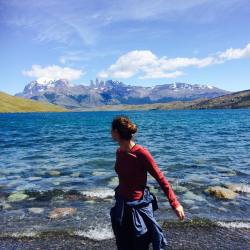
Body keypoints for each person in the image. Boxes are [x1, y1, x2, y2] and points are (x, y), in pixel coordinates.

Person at [110, 115, 185, 250]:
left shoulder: (141, 153)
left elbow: (161, 178)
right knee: (123, 245)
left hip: (138, 208)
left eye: (111, 130)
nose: (110, 133)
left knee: (140, 244)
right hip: (122, 206)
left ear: (116, 132)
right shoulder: (119, 151)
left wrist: (175, 204)